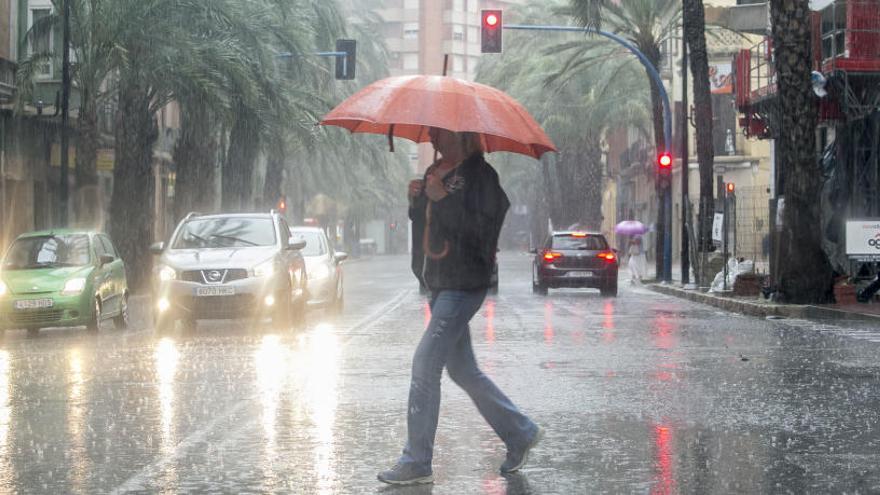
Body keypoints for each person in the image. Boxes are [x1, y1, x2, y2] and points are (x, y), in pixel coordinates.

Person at [378, 128, 542, 485]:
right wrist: (418, 200)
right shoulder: (438, 172)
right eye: (433, 135)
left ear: (464, 138)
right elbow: (428, 226)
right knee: (463, 371)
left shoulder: (483, 178)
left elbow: (479, 233)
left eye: (443, 135)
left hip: (463, 283)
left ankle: (417, 460)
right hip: (439, 283)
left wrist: (443, 199)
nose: (435, 141)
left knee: (425, 364)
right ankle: (519, 432)